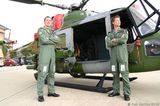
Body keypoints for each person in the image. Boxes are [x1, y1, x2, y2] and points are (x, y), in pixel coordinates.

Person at [105, 15, 131, 101]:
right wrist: (118, 40)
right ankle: (116, 91)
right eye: (117, 20)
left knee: (124, 75)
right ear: (113, 22)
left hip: (122, 57)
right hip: (113, 58)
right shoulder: (110, 34)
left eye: (119, 20)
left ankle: (126, 94)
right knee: (115, 74)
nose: (119, 22)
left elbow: (123, 40)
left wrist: (114, 40)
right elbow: (108, 44)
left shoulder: (124, 31)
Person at [37, 16, 60, 102]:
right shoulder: (41, 30)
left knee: (52, 73)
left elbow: (58, 40)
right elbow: (43, 40)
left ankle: (51, 92)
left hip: (52, 55)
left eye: (50, 20)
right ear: (44, 22)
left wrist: (50, 38)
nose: (48, 21)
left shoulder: (53, 31)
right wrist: (53, 40)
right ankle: (40, 95)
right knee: (42, 74)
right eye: (47, 20)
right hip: (44, 55)